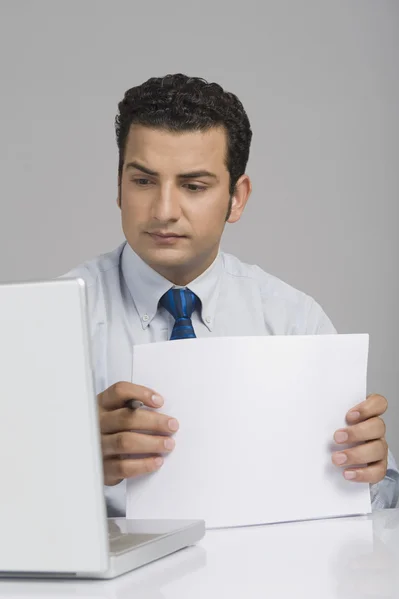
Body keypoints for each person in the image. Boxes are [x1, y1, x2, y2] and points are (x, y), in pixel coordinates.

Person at [63, 73, 399, 517]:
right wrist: (69, 465)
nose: (164, 210)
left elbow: (375, 511)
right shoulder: (56, 321)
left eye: (193, 186)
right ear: (119, 185)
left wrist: (366, 474)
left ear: (236, 199)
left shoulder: (294, 323)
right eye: (143, 181)